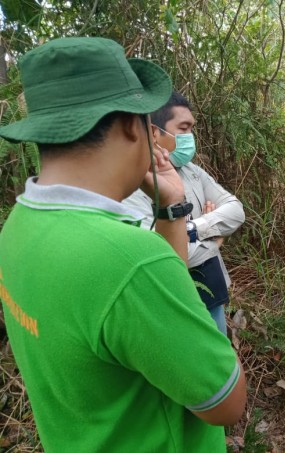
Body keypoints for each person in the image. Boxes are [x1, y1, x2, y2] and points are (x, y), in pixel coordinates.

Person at [0, 37, 246, 452]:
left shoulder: (19, 226)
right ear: (135, 126)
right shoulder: (131, 260)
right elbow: (226, 404)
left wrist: (171, 210)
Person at [123, 91, 245, 335]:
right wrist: (214, 238)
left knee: (219, 358)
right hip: (171, 301)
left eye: (192, 128)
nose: (191, 136)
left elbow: (236, 211)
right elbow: (163, 255)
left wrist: (193, 229)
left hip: (211, 288)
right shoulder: (134, 185)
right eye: (184, 128)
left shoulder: (192, 171)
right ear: (154, 132)